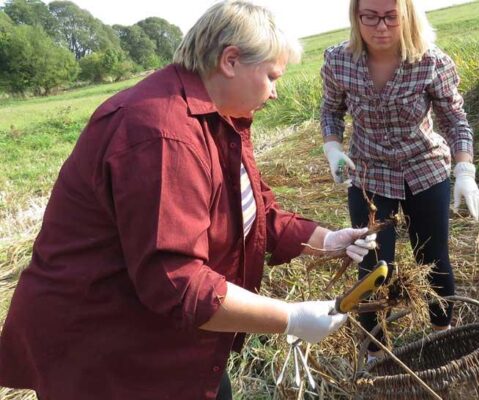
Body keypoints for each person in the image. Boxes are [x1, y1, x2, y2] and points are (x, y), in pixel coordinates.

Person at [0, 2, 377, 399]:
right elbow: (177, 282)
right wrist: (291, 318)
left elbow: (257, 211)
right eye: (271, 76)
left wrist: (327, 240)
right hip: (110, 358)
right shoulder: (162, 134)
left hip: (166, 344)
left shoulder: (217, 118)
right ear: (230, 60)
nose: (275, 92)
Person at [320, 0, 479, 361]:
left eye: (391, 17)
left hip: (423, 168)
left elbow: (455, 120)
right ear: (356, 17)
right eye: (370, 17)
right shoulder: (338, 61)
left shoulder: (430, 61)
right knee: (373, 263)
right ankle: (376, 353)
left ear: (407, 16)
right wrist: (333, 149)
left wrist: (465, 172)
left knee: (433, 257)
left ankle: (445, 338)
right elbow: (331, 110)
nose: (381, 27)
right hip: (369, 173)